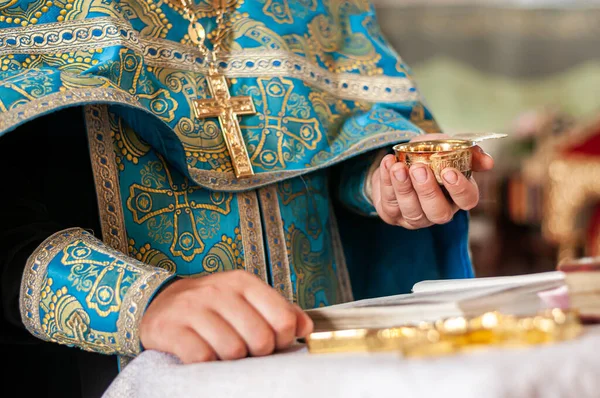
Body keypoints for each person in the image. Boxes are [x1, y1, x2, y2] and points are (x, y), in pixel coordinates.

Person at [0, 0, 493, 396]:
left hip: (332, 373)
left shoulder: (322, 9)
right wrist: (140, 302)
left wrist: (381, 183)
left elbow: (333, 153)